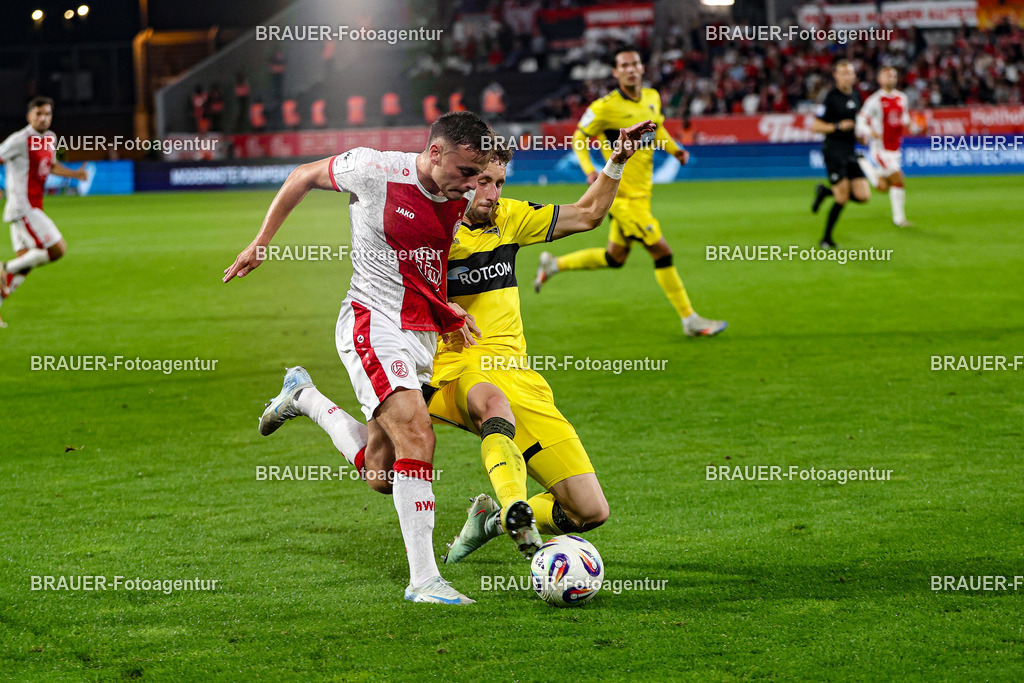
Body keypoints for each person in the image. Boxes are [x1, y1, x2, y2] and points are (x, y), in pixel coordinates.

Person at [223, 112, 495, 605]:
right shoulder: (374, 168)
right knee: (417, 431)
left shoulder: (461, 195)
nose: (473, 184)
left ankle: (304, 398)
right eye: (466, 172)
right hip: (372, 322)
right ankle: (424, 581)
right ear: (435, 152)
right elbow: (301, 175)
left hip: (421, 335)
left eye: (480, 176)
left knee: (380, 473)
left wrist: (445, 306)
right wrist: (261, 242)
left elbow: (423, 261)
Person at [429, 120, 657, 564]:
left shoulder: (509, 218)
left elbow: (588, 214)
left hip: (520, 376)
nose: (492, 194)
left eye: (499, 183)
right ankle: (515, 506)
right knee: (480, 408)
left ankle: (492, 521)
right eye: (482, 183)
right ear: (460, 178)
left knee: (589, 511)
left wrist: (617, 161)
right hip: (456, 368)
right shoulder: (432, 232)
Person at [534, 47, 727, 338]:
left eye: (635, 63)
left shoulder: (652, 97)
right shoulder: (604, 107)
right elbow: (579, 137)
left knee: (616, 258)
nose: (631, 69)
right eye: (624, 65)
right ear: (615, 72)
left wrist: (676, 151)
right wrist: (589, 169)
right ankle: (690, 320)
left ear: (642, 67)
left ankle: (553, 264)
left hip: (642, 194)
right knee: (662, 251)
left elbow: (657, 130)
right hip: (622, 198)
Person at [0, 96, 88, 328]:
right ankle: (3, 267)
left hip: (32, 206)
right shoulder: (19, 140)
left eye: (47, 114)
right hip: (23, 206)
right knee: (57, 250)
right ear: (29, 116)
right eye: (39, 113)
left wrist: (75, 175)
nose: (43, 118)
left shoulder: (50, 138)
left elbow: (51, 165)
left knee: (25, 264)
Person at [810, 60, 870, 248]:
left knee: (863, 196)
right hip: (834, 152)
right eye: (842, 73)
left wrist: (860, 137)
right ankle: (826, 238)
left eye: (849, 73)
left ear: (854, 76)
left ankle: (825, 191)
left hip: (850, 151)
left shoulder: (856, 95)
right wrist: (837, 126)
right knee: (842, 198)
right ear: (836, 76)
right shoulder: (830, 97)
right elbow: (815, 126)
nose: (846, 76)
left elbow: (856, 124)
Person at [856, 66, 919, 227]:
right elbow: (861, 121)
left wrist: (914, 127)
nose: (891, 79)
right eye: (888, 76)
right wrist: (870, 132)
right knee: (899, 179)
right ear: (880, 80)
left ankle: (862, 163)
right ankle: (899, 219)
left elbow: (904, 118)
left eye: (894, 76)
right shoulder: (875, 100)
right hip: (880, 149)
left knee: (883, 187)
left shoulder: (902, 98)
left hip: (895, 149)